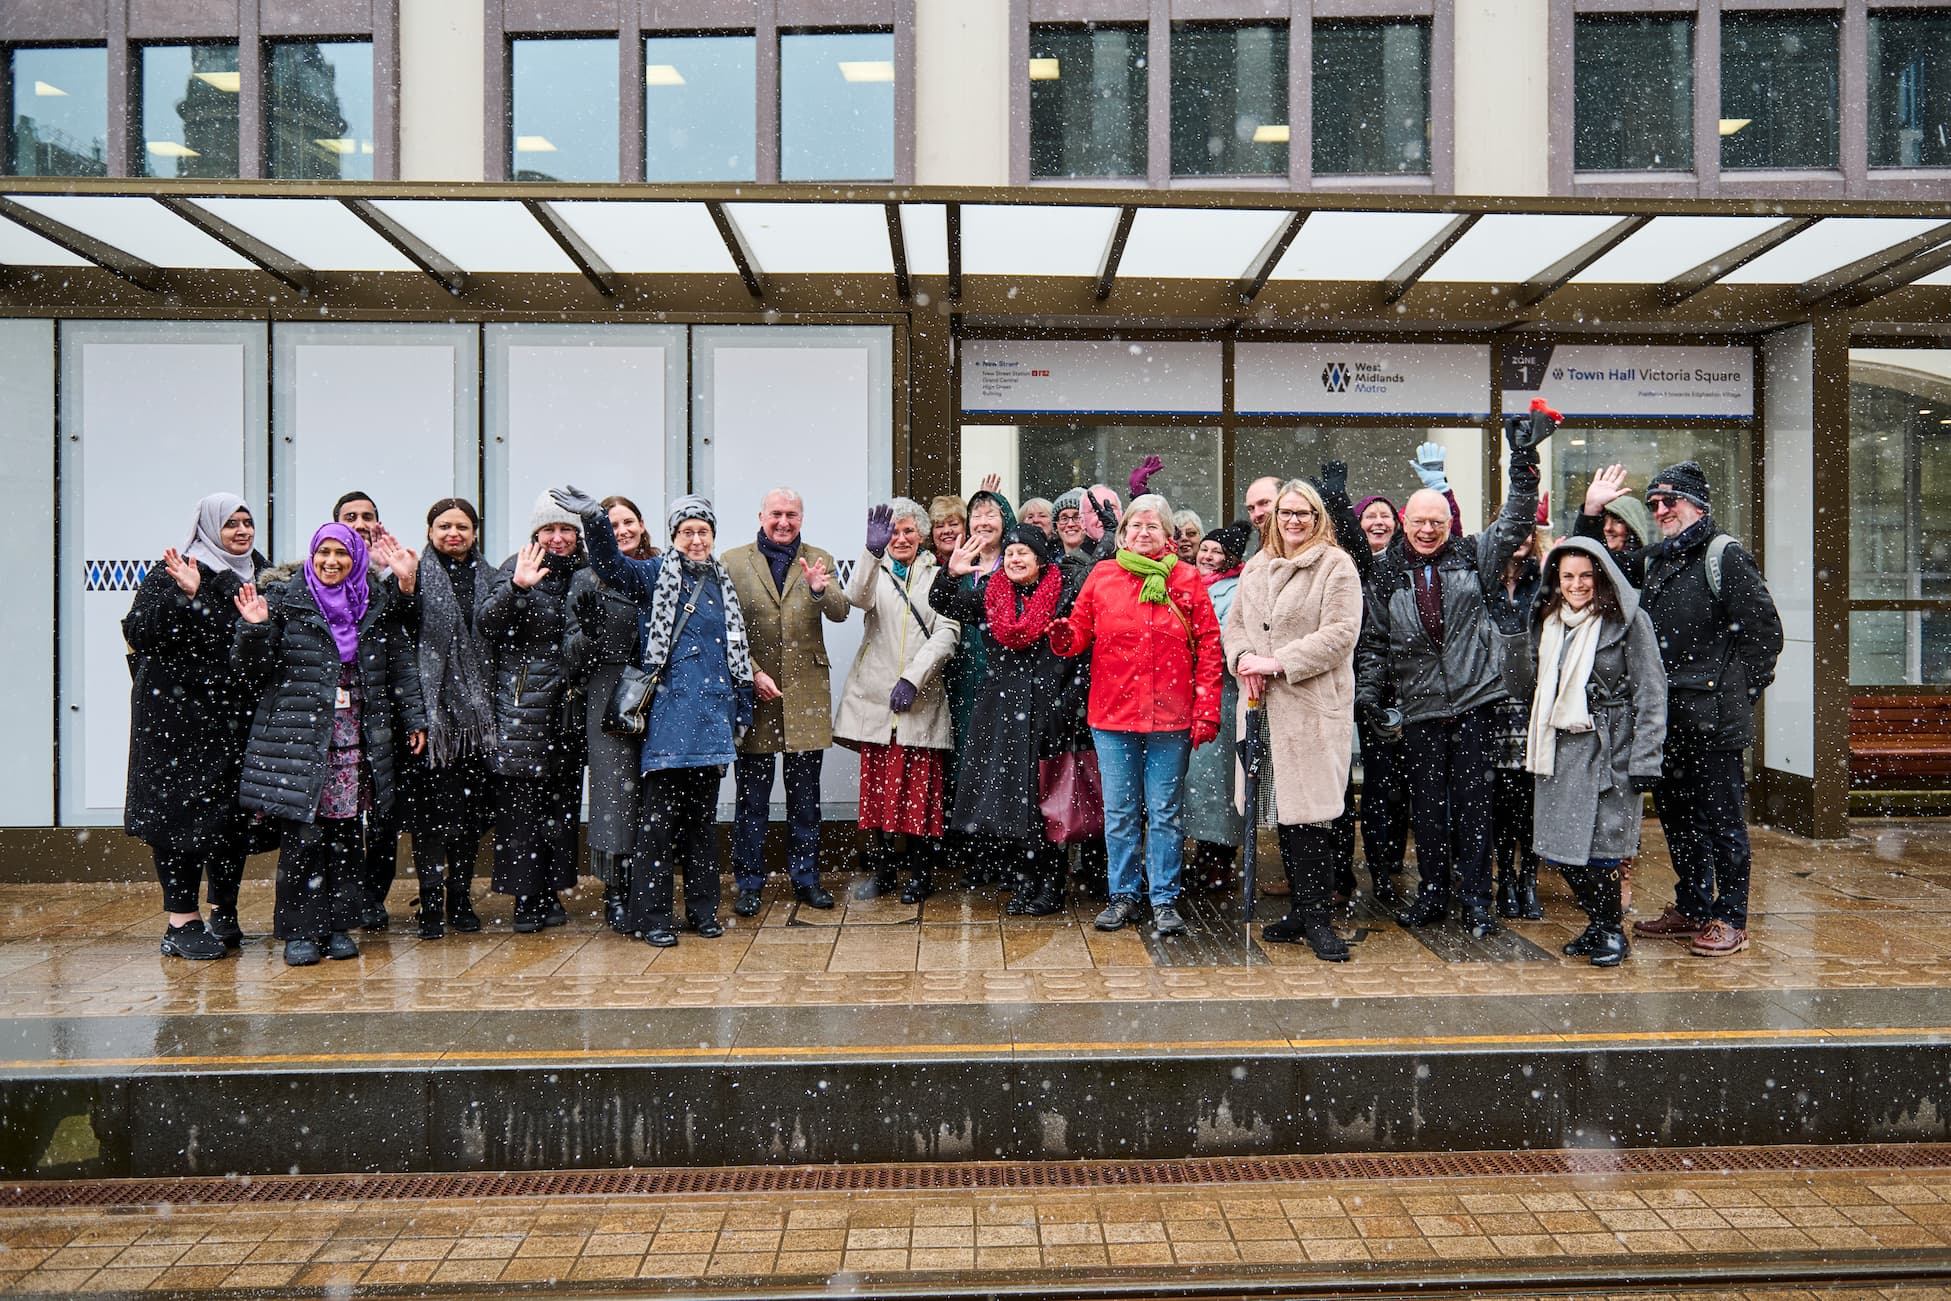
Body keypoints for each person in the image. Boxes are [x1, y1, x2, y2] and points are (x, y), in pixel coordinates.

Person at [1356, 419, 1548, 938]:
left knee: (1474, 806)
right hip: (1419, 709)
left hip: (1473, 702)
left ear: (1448, 521)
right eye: (1418, 521)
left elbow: (1513, 521)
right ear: (1404, 520)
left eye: (1436, 521)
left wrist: (1523, 466)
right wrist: (1370, 694)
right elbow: (1373, 642)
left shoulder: (1472, 556)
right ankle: (1434, 893)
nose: (1426, 530)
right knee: (1428, 810)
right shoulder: (1387, 571)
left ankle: (1476, 900)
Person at [1581, 461, 1783, 957]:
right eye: (1653, 504)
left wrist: (1733, 695)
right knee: (1678, 818)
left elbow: (1765, 636)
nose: (1660, 511)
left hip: (1713, 721)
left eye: (1669, 501)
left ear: (1697, 504)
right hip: (1667, 719)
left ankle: (1730, 916)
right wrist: (1589, 515)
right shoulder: (1658, 560)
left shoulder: (1723, 555)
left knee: (1723, 820)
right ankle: (1692, 904)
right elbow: (1596, 567)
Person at [555, 487, 755, 947]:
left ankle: (704, 912)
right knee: (658, 827)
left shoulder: (723, 585)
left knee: (703, 827)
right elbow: (610, 566)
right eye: (686, 532)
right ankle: (655, 916)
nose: (696, 540)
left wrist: (741, 710)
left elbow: (737, 655)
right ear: (672, 535)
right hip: (667, 722)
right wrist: (595, 522)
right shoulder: (651, 574)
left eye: (703, 531)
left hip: (711, 721)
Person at [232, 524, 426, 966]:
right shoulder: (284, 601)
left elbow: (399, 664)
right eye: (324, 552)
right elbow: (249, 670)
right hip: (302, 741)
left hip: (354, 740)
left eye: (341, 553)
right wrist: (256, 629)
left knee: (344, 837)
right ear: (312, 555)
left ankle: (339, 924)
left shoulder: (373, 602)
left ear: (356, 559)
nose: (332, 562)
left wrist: (414, 717)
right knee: (303, 838)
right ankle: (301, 930)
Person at [1050, 494, 1223, 936]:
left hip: (1172, 718)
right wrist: (1062, 635)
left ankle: (1164, 898)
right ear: (1123, 533)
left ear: (1168, 536)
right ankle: (1123, 895)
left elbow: (1208, 647)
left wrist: (1206, 710)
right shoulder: (1103, 575)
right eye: (1135, 526)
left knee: (1165, 811)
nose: (1142, 533)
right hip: (1112, 717)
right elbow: (1078, 636)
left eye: (1153, 526)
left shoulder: (1185, 579)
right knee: (1121, 811)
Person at [1225, 480, 1364, 960]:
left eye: (1304, 513)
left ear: (1318, 516)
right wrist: (1244, 659)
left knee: (1309, 818)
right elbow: (1236, 626)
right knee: (1280, 814)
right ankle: (1302, 913)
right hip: (1262, 710)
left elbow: (1341, 633)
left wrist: (1277, 662)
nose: (1294, 521)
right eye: (1286, 512)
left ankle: (1319, 920)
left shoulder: (1335, 565)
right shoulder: (1257, 567)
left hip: (1308, 711)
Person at [124, 493, 265, 959]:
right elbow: (141, 631)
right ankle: (180, 919)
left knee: (230, 817)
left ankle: (224, 908)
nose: (241, 531)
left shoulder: (261, 573)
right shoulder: (178, 569)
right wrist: (187, 597)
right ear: (209, 528)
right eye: (231, 524)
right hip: (178, 721)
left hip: (235, 717)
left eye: (246, 522)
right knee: (179, 818)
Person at [1521, 537, 1667, 967]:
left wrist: (1645, 759)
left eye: (1586, 575)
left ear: (1601, 576)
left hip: (1610, 748)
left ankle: (1612, 932)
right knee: (1562, 851)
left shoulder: (1629, 620)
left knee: (1603, 850)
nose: (1577, 584)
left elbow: (1652, 693)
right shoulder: (1549, 622)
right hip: (1559, 748)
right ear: (1556, 580)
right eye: (1567, 576)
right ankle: (1597, 924)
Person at [932, 522, 1074, 913]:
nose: (1013, 558)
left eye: (1022, 552)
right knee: (1011, 799)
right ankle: (1025, 880)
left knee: (1047, 800)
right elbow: (943, 603)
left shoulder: (1063, 594)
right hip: (1001, 710)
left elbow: (1080, 650)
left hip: (1048, 710)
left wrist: (1065, 700)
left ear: (1042, 560)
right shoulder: (992, 594)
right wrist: (950, 574)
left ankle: (1052, 884)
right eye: (1009, 552)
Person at [723, 488, 851, 916]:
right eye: (776, 514)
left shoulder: (820, 558)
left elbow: (840, 612)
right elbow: (729, 627)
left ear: (802, 517)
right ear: (760, 515)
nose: (783, 522)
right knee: (752, 799)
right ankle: (750, 883)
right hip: (755, 692)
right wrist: (753, 671)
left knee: (805, 799)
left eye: (791, 515)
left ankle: (806, 879)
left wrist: (819, 588)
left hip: (805, 694)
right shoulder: (733, 561)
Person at [837, 499, 961, 904]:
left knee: (919, 794)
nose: (901, 538)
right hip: (876, 702)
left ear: (922, 535)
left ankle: (921, 873)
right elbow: (855, 597)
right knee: (878, 794)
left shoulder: (940, 574)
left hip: (921, 699)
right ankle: (884, 870)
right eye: (894, 531)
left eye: (909, 530)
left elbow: (947, 632)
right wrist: (872, 552)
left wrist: (912, 677)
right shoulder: (876, 570)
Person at [479, 491, 588, 933]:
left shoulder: (587, 572)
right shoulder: (515, 567)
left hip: (568, 709)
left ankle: (552, 890)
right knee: (522, 807)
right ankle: (527, 897)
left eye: (566, 529)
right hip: (524, 707)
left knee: (561, 804)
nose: (558, 538)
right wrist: (517, 587)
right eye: (550, 529)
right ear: (536, 533)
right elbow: (486, 623)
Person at [565, 494, 659, 933]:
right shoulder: (587, 578)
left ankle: (651, 885)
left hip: (659, 692)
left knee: (656, 794)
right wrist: (589, 633)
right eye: (613, 523)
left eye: (629, 521)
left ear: (642, 525)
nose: (622, 530)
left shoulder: (664, 569)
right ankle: (616, 892)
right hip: (607, 693)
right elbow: (571, 656)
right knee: (615, 797)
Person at [402, 497, 496, 938]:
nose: (453, 533)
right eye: (444, 526)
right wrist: (417, 717)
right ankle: (429, 901)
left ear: (475, 533)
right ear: (429, 532)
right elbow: (401, 645)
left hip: (477, 721)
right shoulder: (411, 577)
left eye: (462, 526)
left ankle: (458, 896)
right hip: (432, 722)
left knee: (468, 819)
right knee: (429, 819)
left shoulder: (493, 579)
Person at [332, 491, 420, 930]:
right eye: (351, 517)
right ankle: (346, 896)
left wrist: (403, 581)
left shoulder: (392, 571)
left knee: (383, 815)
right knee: (343, 813)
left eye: (368, 516)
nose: (361, 523)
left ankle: (372, 897)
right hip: (336, 722)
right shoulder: (322, 576)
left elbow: (407, 638)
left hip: (382, 717)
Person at [1181, 522, 1251, 890]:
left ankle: (1218, 861)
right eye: (1204, 549)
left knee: (1218, 785)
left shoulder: (1238, 589)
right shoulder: (1189, 582)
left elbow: (1224, 639)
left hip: (1221, 697)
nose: (1206, 557)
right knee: (1191, 783)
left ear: (1231, 559)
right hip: (1187, 696)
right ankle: (1197, 859)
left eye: (1216, 552)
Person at [1486, 527, 1545, 921]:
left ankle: (1529, 879)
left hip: (1534, 702)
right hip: (1493, 702)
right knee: (1502, 800)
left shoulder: (1543, 581)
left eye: (1529, 531)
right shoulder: (1484, 581)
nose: (1521, 538)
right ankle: (1505, 876)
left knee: (1533, 800)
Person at [928, 495, 967, 566]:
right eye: (939, 526)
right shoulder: (923, 564)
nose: (946, 531)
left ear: (966, 527)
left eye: (953, 524)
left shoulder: (980, 561)